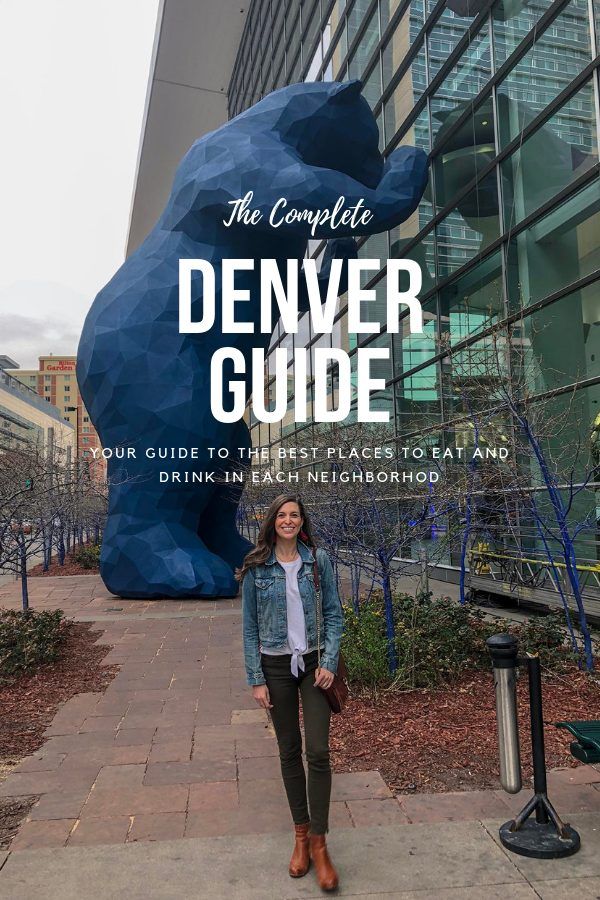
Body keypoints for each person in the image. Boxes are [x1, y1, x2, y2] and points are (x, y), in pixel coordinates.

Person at [239, 493, 344, 892]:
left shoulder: (318, 562)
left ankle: (320, 842)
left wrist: (330, 662)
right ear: (272, 522)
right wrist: (256, 679)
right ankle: (300, 835)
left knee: (317, 751)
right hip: (275, 667)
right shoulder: (255, 568)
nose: (288, 521)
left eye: (294, 515)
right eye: (281, 515)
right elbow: (249, 628)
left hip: (314, 665)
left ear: (302, 521)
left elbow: (333, 613)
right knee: (288, 749)